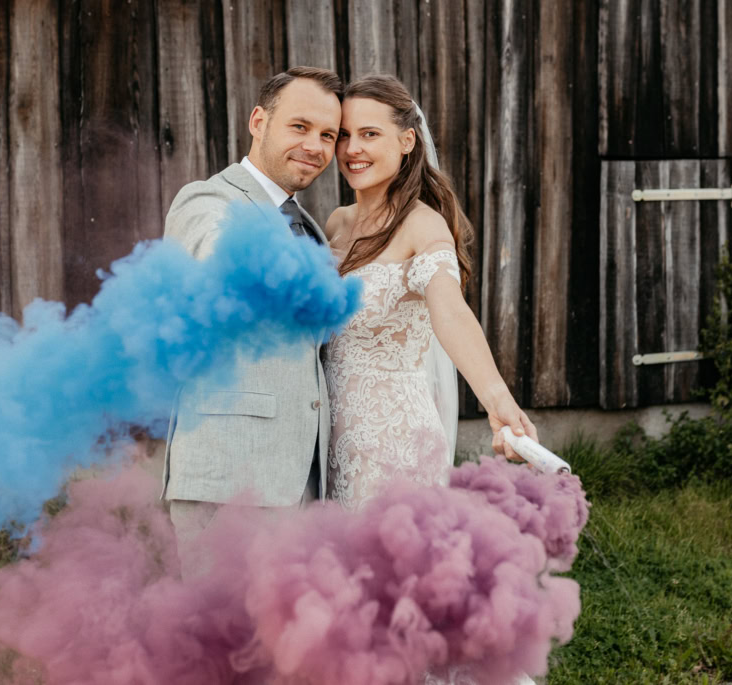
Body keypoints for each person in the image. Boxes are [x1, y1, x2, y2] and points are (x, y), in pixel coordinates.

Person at [323, 74, 538, 510]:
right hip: (328, 432)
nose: (351, 150)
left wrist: (497, 399)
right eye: (344, 135)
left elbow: (451, 312)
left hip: (391, 439)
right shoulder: (336, 223)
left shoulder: (422, 226)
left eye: (369, 134)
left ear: (406, 141)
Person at [162, 67, 343, 574]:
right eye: (300, 127)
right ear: (258, 121)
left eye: (327, 135)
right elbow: (217, 253)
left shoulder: (307, 224)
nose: (315, 146)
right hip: (229, 480)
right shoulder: (207, 199)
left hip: (297, 479)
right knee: (220, 643)